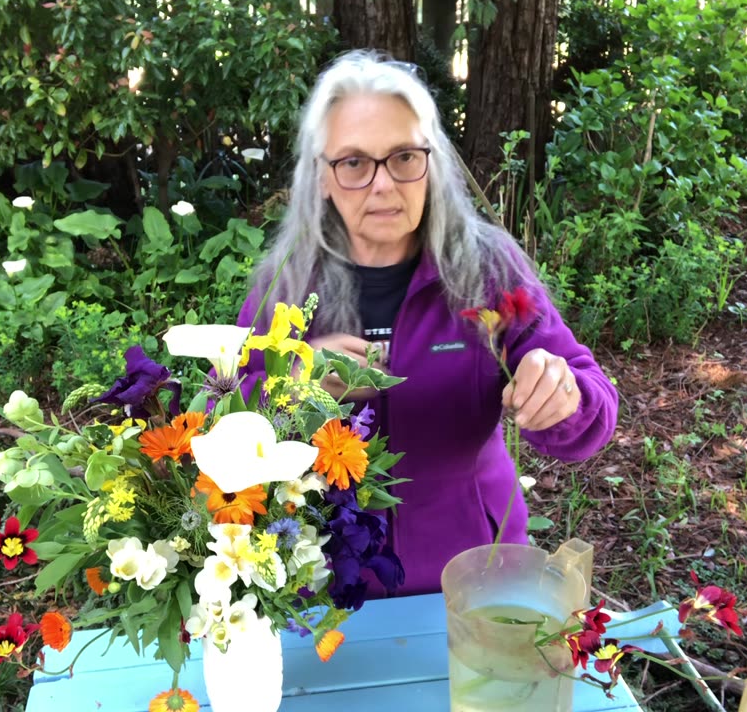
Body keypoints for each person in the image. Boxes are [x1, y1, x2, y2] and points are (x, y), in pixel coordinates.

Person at [236, 50, 617, 597]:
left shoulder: (486, 270)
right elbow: (224, 427)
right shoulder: (287, 287)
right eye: (354, 163)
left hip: (473, 577)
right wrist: (294, 392)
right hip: (322, 581)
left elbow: (589, 410)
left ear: (432, 163)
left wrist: (565, 396)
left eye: (404, 158)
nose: (383, 185)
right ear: (321, 176)